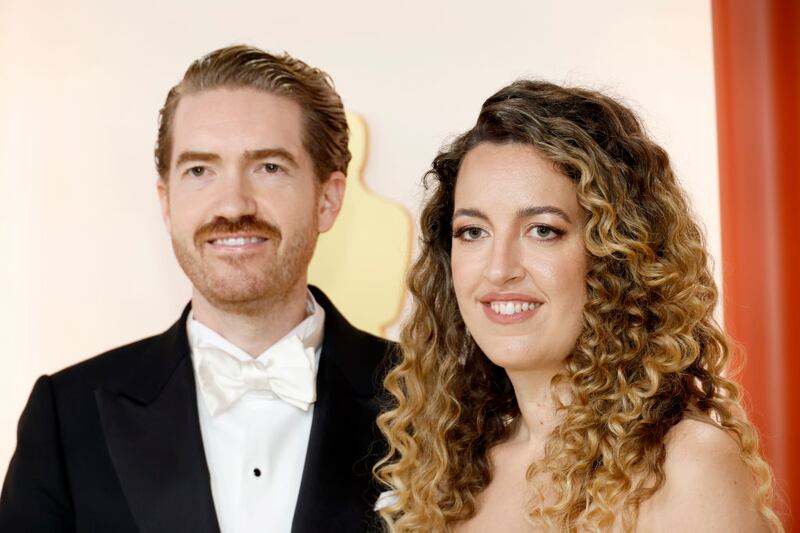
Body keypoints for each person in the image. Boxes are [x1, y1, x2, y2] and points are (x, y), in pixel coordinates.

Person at [0, 45, 392, 533]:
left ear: (327, 200)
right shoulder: (66, 416)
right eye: (200, 171)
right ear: (166, 203)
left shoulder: (433, 401)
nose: (233, 205)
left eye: (269, 167)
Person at [375, 80, 782, 532]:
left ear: (616, 256)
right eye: (473, 232)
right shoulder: (450, 476)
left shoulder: (685, 465)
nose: (499, 269)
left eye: (543, 230)